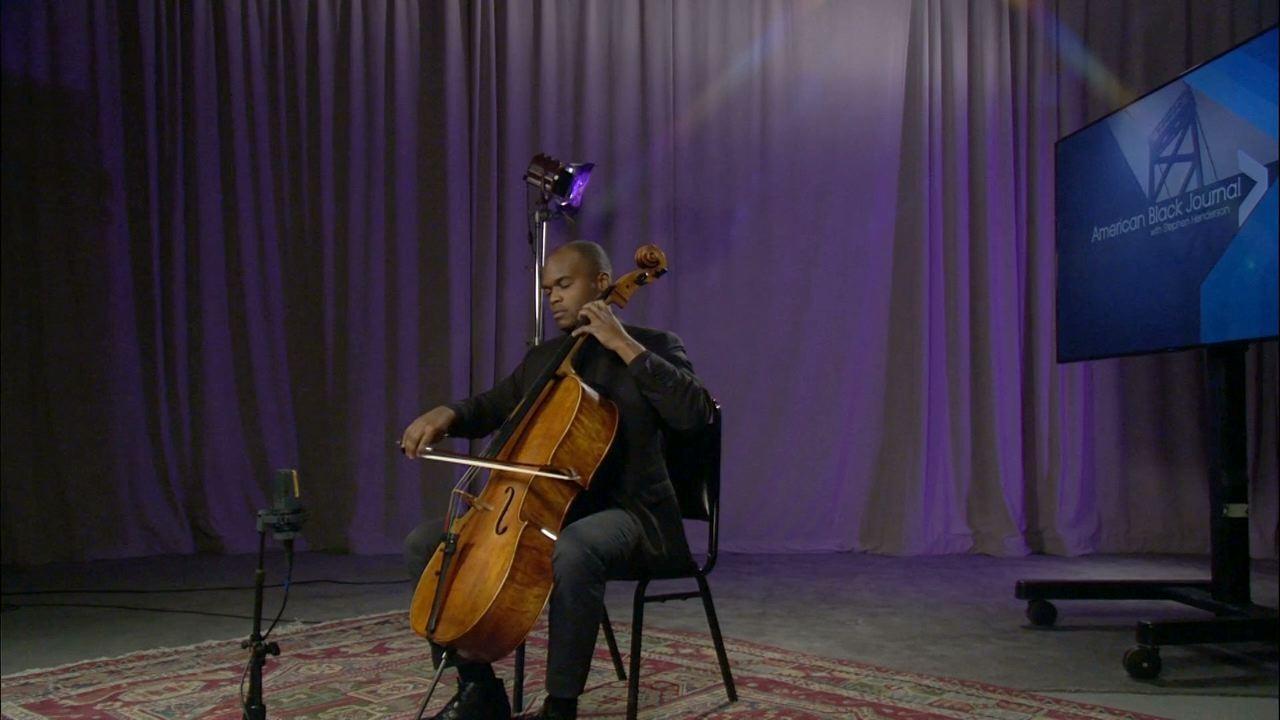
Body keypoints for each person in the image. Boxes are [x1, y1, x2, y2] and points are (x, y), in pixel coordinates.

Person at [401, 240, 714, 720]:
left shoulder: (654, 345)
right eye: (548, 289)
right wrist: (449, 413)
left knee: (577, 547)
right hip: (551, 515)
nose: (553, 297)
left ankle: (560, 707)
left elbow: (695, 413)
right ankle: (477, 687)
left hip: (635, 516)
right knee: (428, 543)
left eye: (564, 284)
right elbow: (492, 405)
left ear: (602, 283)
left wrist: (621, 343)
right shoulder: (545, 359)